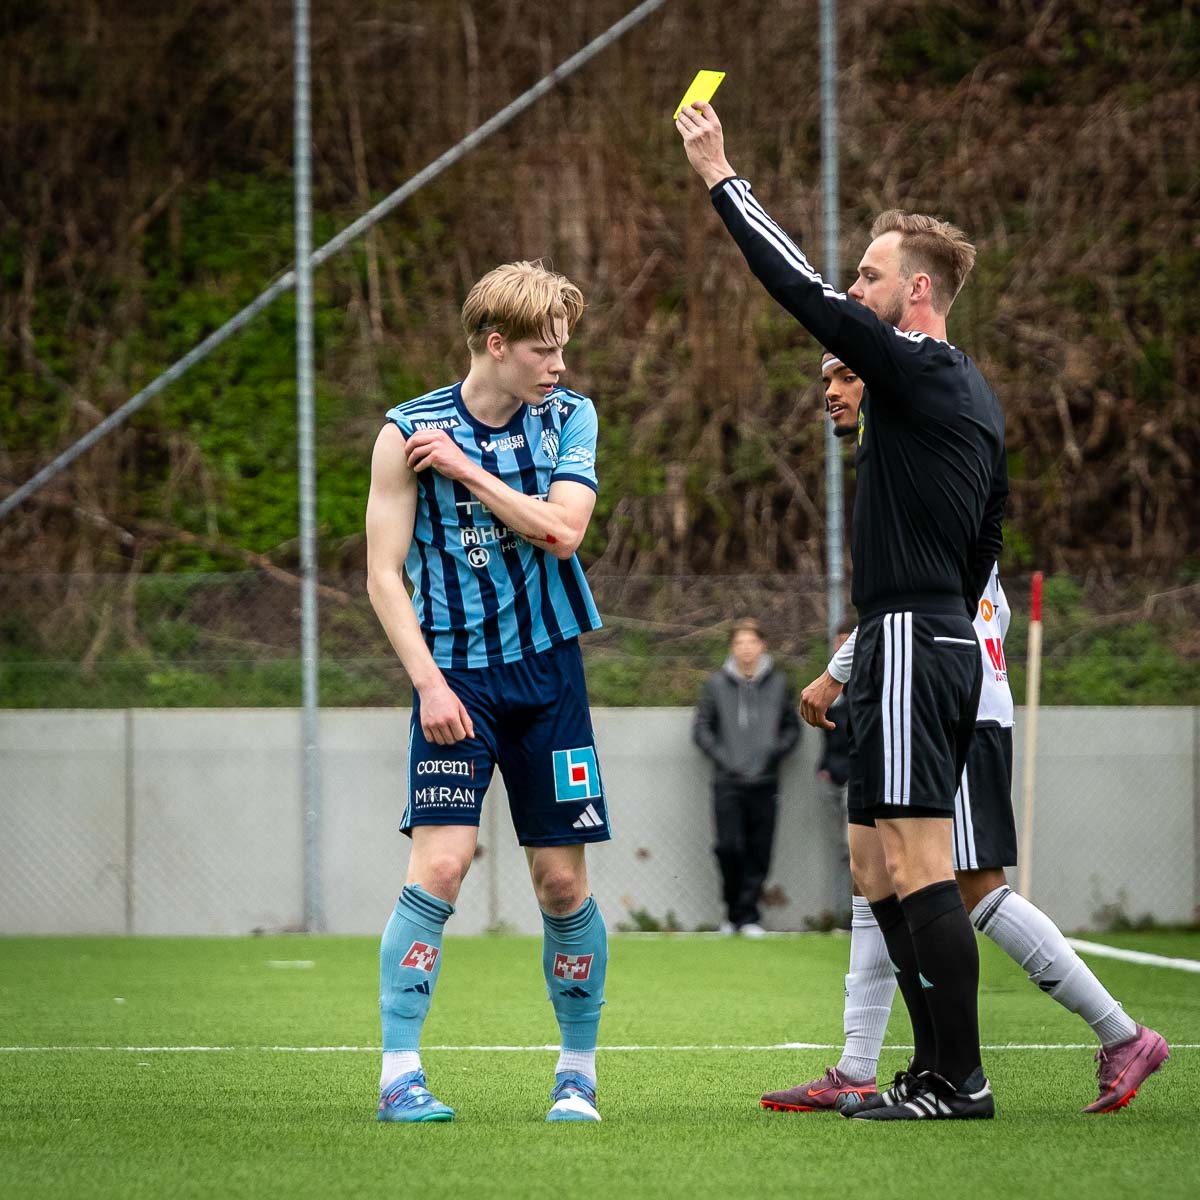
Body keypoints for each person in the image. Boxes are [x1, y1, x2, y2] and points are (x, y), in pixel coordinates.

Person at [678, 102, 1007, 1120]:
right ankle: (924, 1069)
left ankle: (958, 1079)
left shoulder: (918, 364)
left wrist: (721, 175)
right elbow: (988, 537)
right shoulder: (964, 395)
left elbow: (799, 289)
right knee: (874, 864)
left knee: (918, 862)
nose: (855, 290)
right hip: (916, 636)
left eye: (870, 276)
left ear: (917, 291)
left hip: (915, 636)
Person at [763, 354, 1168, 1116]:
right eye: (825, 380)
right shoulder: (904, 465)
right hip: (927, 689)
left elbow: (934, 600)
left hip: (959, 707)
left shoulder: (924, 454)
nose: (832, 393)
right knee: (873, 870)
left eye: (847, 374)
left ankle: (1119, 1033)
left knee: (973, 888)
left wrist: (837, 672)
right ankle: (857, 1065)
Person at [365, 260, 610, 1124]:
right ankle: (400, 1075)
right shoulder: (406, 432)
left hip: (550, 677)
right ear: (496, 345)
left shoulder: (568, 418)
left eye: (564, 348)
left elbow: (563, 531)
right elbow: (383, 575)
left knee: (561, 886)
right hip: (455, 681)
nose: (559, 365)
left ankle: (576, 1074)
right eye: (545, 350)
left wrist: (468, 471)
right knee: (441, 865)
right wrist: (428, 684)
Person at [693, 618, 801, 936]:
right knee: (729, 847)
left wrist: (772, 754)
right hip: (727, 781)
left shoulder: (780, 683)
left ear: (762, 645)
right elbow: (702, 730)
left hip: (766, 781)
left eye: (751, 642)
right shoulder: (715, 684)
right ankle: (733, 913)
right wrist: (726, 760)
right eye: (740, 643)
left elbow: (792, 728)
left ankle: (749, 916)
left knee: (760, 849)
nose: (746, 649)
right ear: (732, 647)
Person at [815, 615, 857, 927]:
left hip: (861, 775)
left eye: (848, 642)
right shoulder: (830, 684)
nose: (843, 648)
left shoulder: (870, 680)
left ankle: (864, 915)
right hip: (835, 775)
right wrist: (824, 766)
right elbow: (827, 732)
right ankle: (849, 913)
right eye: (839, 642)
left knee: (858, 848)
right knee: (845, 849)